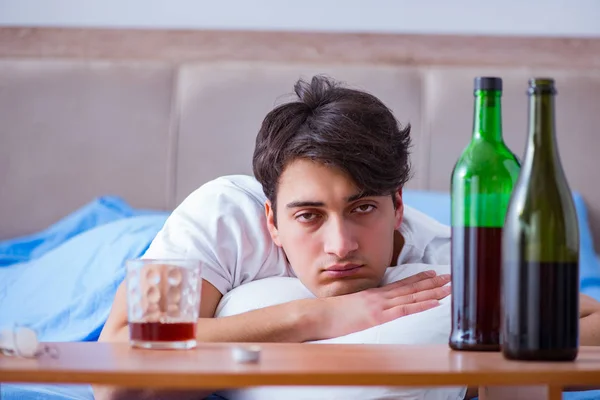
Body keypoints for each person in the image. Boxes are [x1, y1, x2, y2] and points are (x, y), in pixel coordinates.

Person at [98, 75, 600, 400]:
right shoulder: (221, 216)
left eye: (362, 208)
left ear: (399, 206)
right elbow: (116, 365)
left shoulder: (443, 264)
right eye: (309, 217)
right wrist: (316, 316)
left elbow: (587, 318)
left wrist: (482, 359)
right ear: (271, 220)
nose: (341, 244)